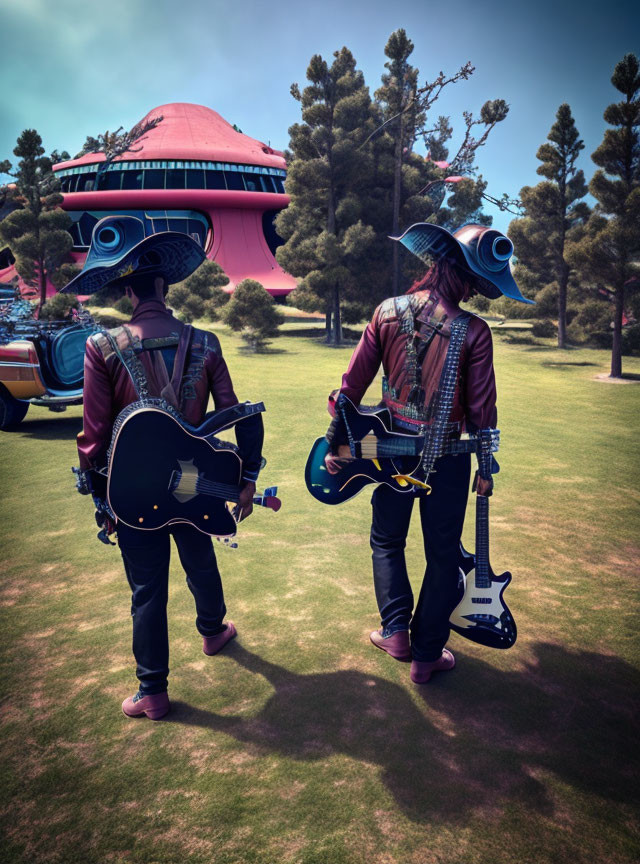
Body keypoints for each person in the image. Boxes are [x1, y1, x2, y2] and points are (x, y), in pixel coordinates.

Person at [63, 215, 263, 720]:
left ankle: (152, 691)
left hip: (132, 493)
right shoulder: (207, 342)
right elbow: (235, 414)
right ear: (162, 285)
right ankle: (213, 631)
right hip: (195, 485)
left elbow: (94, 435)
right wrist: (246, 479)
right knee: (199, 554)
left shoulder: (101, 346)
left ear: (128, 293)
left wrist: (101, 502)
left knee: (147, 587)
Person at [324, 223, 533, 685]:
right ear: (468, 278)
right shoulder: (473, 331)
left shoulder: (387, 311)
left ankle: (396, 632)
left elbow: (350, 387)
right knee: (442, 555)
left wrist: (336, 441)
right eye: (478, 285)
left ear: (437, 261)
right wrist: (485, 467)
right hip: (450, 460)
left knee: (387, 540)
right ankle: (425, 655)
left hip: (388, 453)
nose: (477, 295)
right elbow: (483, 412)